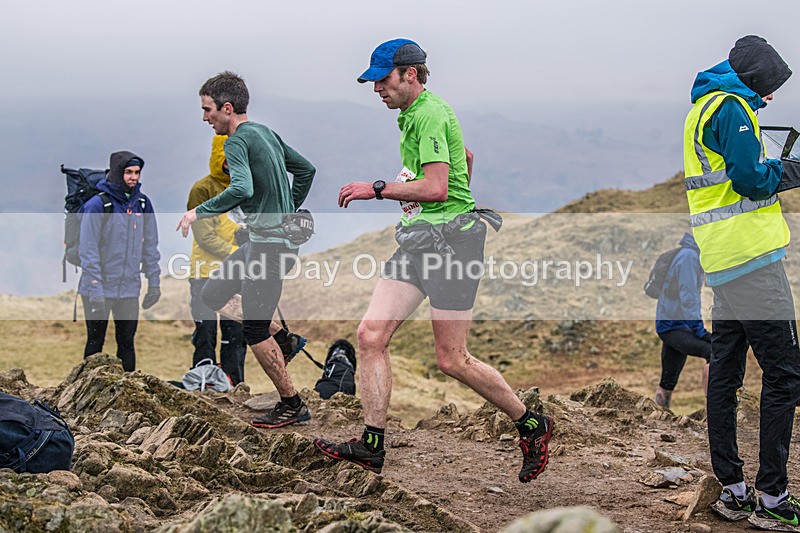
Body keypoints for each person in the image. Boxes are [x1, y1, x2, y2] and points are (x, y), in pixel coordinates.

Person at [313, 39, 554, 483]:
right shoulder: (415, 114)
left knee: (452, 359)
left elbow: (438, 187)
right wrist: (440, 204)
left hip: (454, 247)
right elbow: (464, 158)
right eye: (373, 82)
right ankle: (371, 446)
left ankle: (532, 424)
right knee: (370, 336)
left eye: (383, 80)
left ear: (411, 74)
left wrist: (378, 188)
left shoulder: (428, 113)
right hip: (420, 242)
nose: (376, 90)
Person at [684, 35, 800, 529]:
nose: (771, 98)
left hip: (722, 260)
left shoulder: (704, 105)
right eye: (769, 88)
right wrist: (790, 171)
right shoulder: (732, 108)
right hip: (753, 259)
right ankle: (772, 497)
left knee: (725, 373)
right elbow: (750, 179)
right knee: (785, 374)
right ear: (753, 80)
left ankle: (732, 489)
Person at [177, 71, 316, 428]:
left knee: (253, 330)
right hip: (264, 242)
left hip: (269, 248)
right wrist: (282, 209)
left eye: (208, 109)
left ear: (227, 107)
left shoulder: (237, 141)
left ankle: (292, 404)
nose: (204, 117)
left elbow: (240, 188)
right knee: (213, 292)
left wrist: (198, 212)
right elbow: (306, 171)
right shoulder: (265, 133)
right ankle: (283, 339)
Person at [78, 151, 160, 372]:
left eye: (137, 172)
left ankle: (128, 395)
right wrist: (95, 288)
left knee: (126, 344)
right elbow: (88, 250)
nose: (134, 177)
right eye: (128, 172)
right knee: (95, 344)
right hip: (98, 289)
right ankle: (84, 396)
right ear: (117, 172)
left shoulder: (143, 204)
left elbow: (150, 246)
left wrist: (154, 283)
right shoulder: (97, 205)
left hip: (128, 289)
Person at [186, 135, 248, 384]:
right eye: (227, 159)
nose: (231, 165)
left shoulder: (244, 188)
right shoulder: (202, 190)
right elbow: (204, 237)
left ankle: (234, 382)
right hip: (204, 272)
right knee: (206, 330)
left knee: (235, 332)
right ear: (218, 157)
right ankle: (204, 383)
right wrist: (239, 253)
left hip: (235, 274)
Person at [653, 232, 711, 409]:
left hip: (673, 324)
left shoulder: (687, 254)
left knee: (668, 380)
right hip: (674, 326)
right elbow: (689, 298)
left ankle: (659, 417)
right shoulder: (690, 258)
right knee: (714, 353)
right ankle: (715, 409)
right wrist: (700, 332)